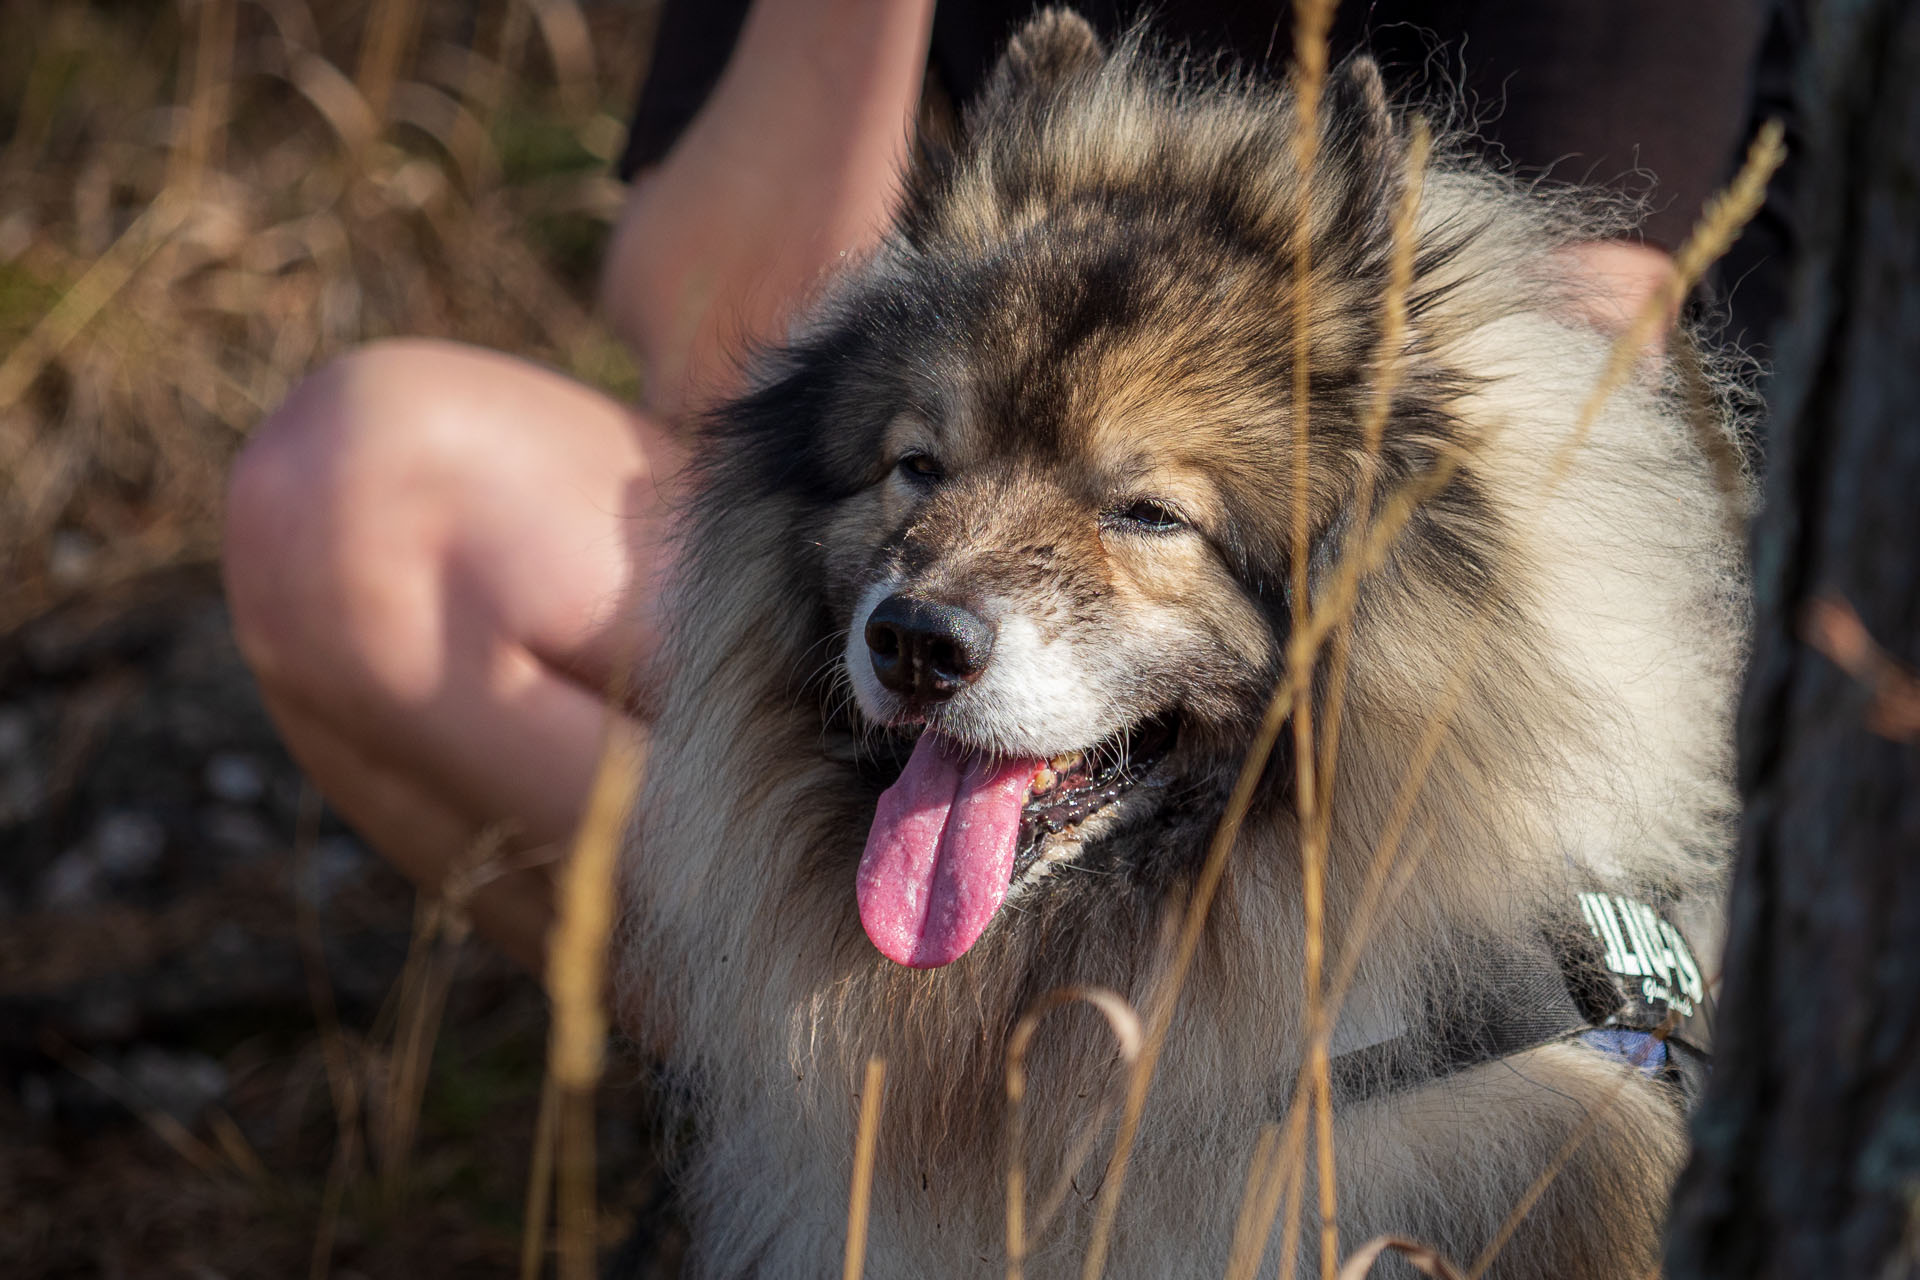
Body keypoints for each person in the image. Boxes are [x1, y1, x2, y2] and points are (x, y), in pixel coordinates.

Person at [222, 0, 1766, 975]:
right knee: (353, 494)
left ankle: (1232, 1093)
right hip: (865, 509)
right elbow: (722, 341)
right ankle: (839, 1078)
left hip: (1361, 695)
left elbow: (1577, 374)